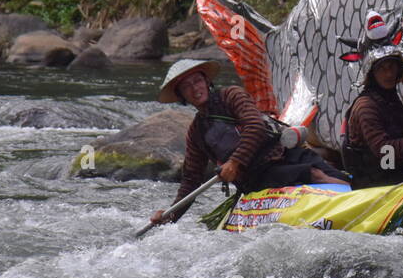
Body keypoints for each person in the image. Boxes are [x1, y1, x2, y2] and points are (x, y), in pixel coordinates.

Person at [149, 58, 348, 225]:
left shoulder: (231, 95)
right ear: (181, 95)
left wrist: (234, 162)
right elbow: (191, 179)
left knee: (337, 175)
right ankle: (350, 205)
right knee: (314, 175)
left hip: (285, 152)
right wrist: (170, 216)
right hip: (259, 176)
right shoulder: (196, 133)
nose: (195, 89)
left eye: (197, 81)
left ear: (206, 81)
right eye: (186, 86)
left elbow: (255, 126)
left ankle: (362, 199)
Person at [339, 11, 403, 188]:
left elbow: (395, 130)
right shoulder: (366, 107)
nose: (388, 74)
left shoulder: (390, 97)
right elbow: (384, 152)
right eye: (382, 69)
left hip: (393, 173)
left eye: (391, 67)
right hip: (373, 183)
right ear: (372, 73)